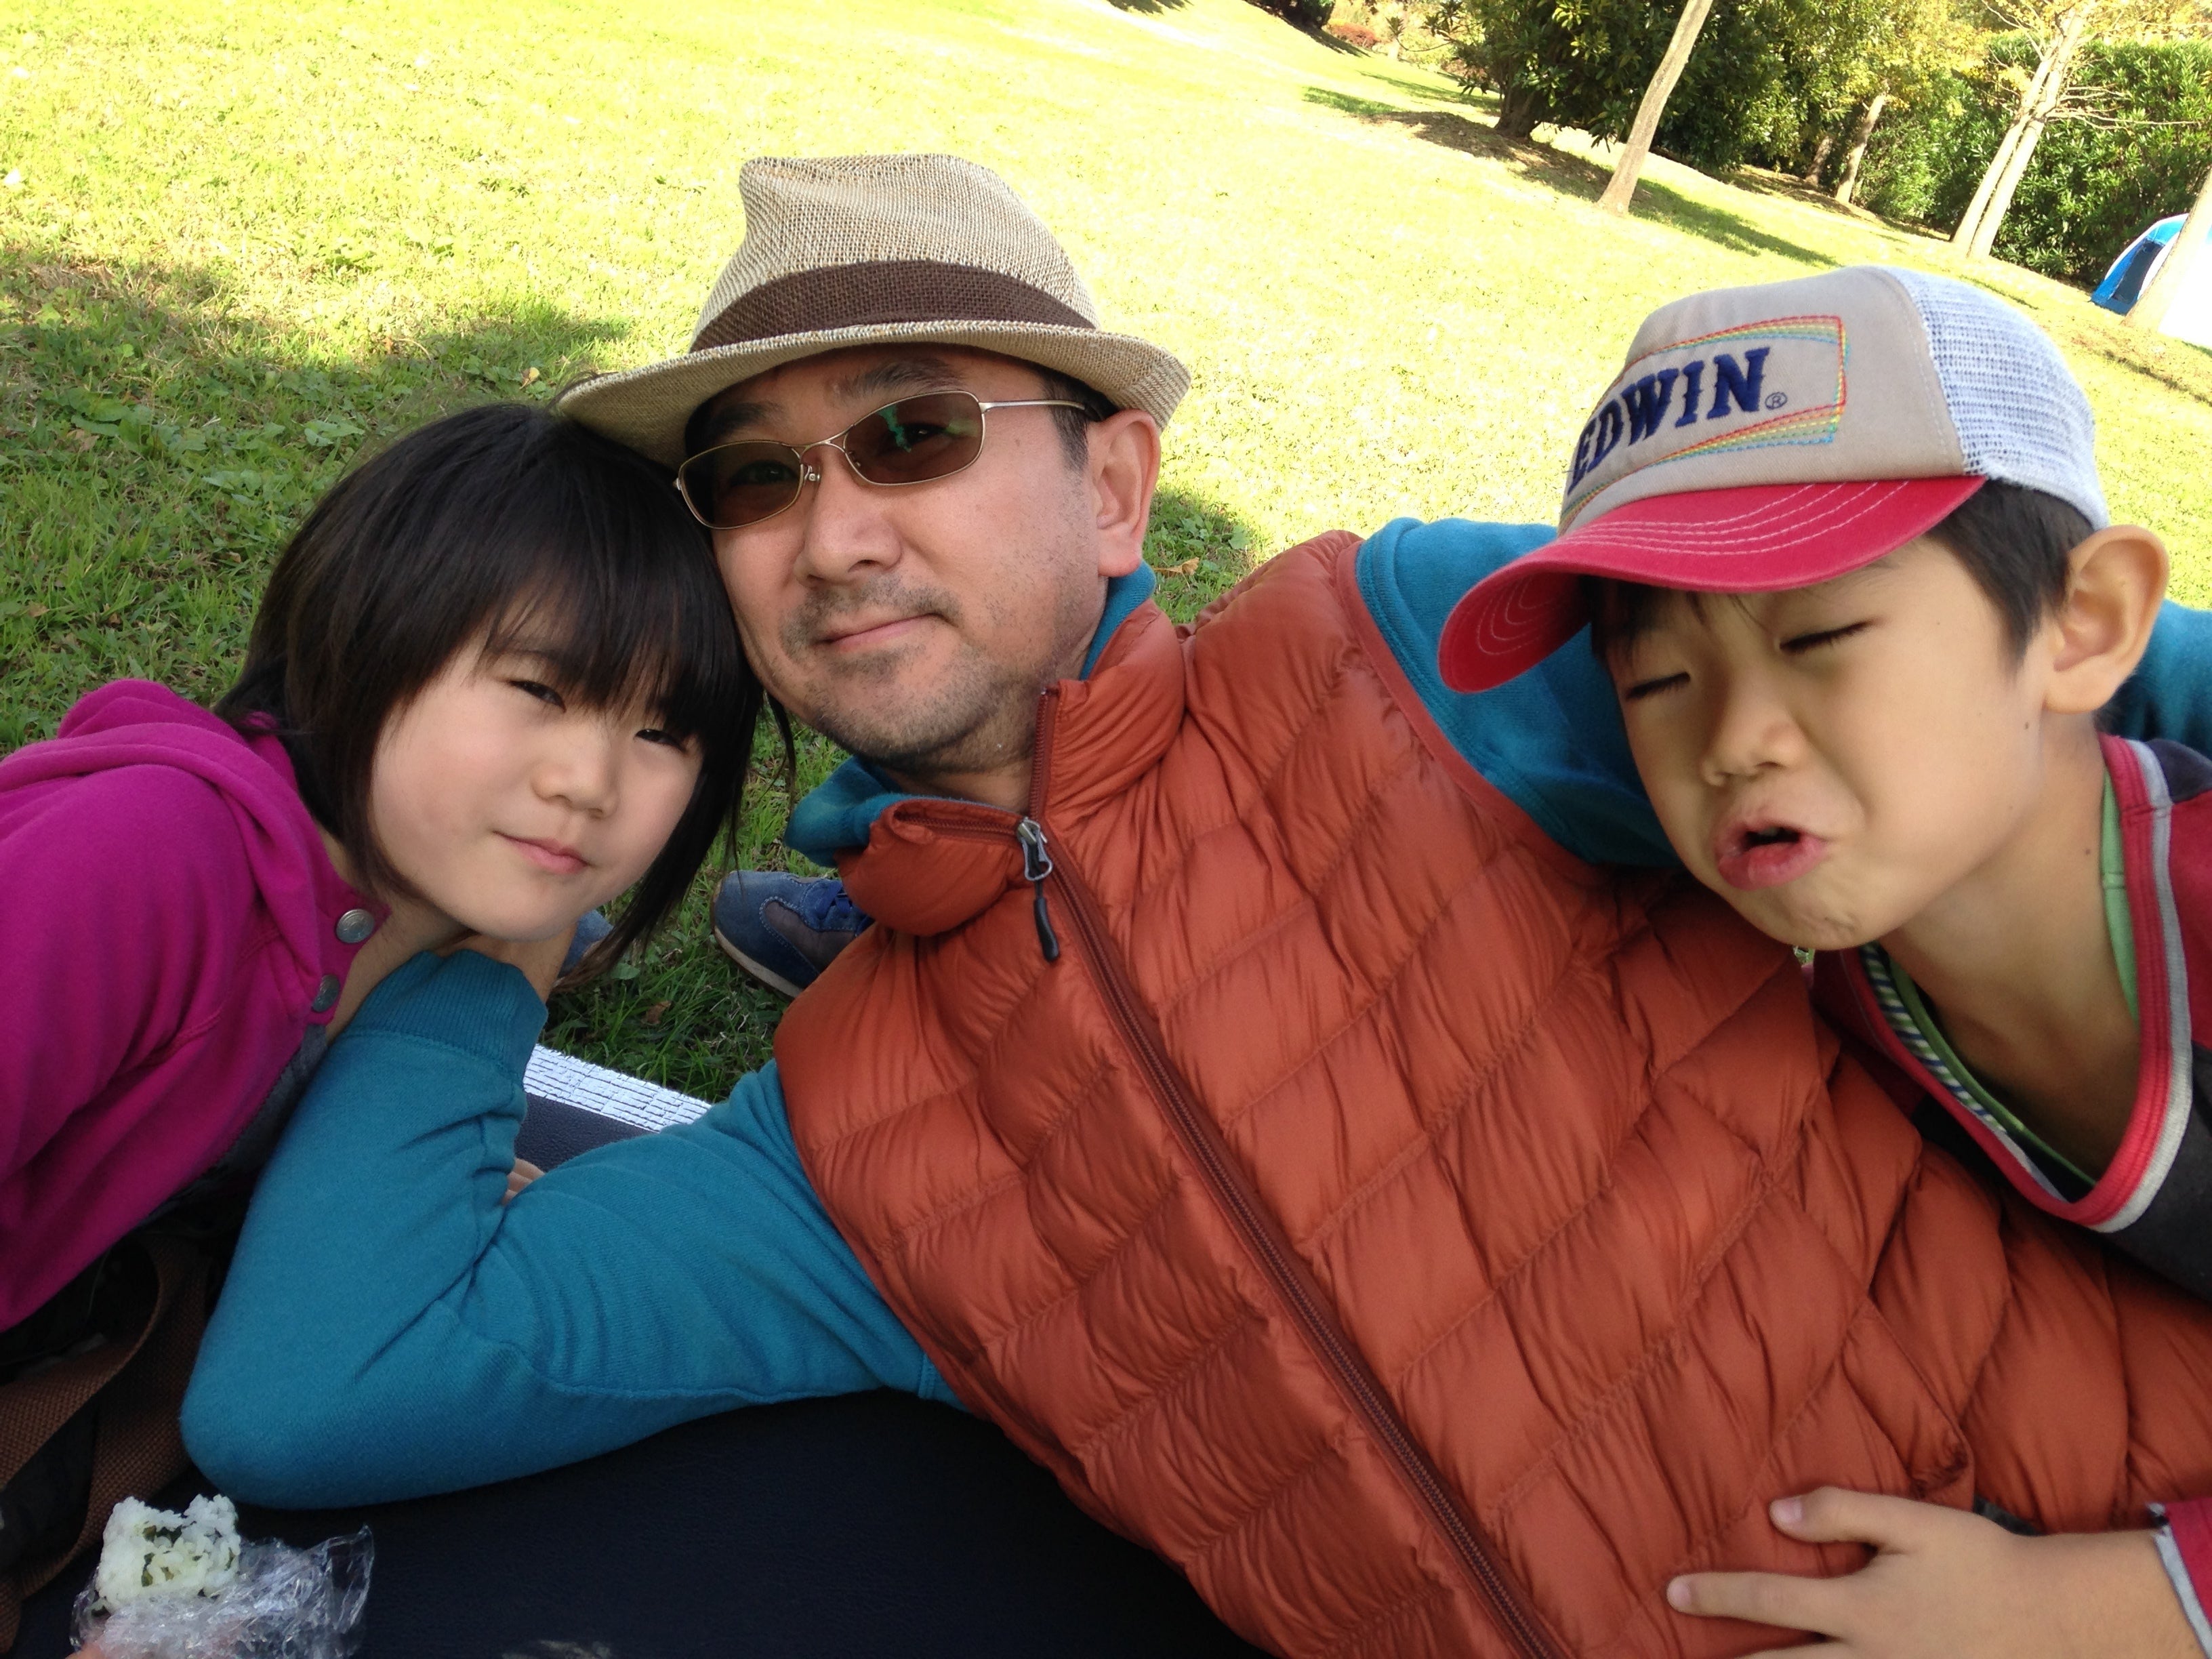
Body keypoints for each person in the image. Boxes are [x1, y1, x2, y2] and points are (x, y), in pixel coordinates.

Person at [186, 155, 2212, 1658]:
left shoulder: (1400, 653)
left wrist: (2137, 1604)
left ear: (1115, 489)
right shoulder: (844, 1142)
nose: (834, 532)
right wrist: (503, 912)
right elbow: (316, 1387)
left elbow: (2018, 635)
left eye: (911, 431)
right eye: (751, 480)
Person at [1437, 262, 2212, 1646]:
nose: (1732, 739)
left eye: (1823, 632)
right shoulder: (1856, 1008)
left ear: (2085, 623)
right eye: (1656, 679)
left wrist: (2091, 1611)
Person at [0, 402, 757, 1629]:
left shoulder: (447, 924)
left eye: (662, 731)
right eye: (538, 686)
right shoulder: (145, 859)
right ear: (367, 634)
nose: (589, 781)